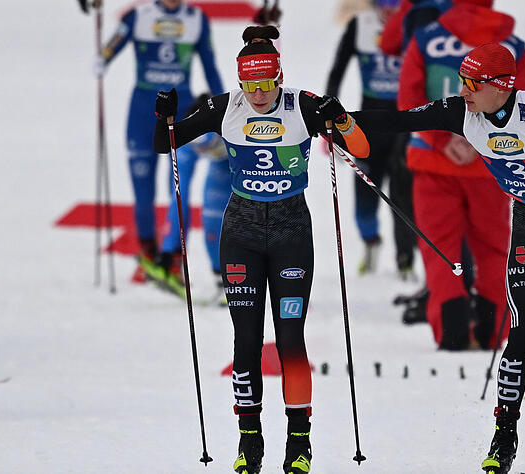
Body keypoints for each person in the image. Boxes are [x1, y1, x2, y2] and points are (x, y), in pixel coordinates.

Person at [351, 42, 525, 474]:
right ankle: (504, 437)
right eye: (462, 81)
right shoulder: (462, 112)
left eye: (472, 83)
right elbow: (400, 120)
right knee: (518, 334)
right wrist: (338, 121)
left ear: (501, 87)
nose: (463, 91)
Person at [153, 26, 369, 474]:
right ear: (240, 81)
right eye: (249, 85)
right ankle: (249, 440)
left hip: (291, 233)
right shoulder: (223, 106)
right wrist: (167, 118)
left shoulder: (303, 105)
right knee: (246, 340)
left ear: (278, 77)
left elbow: (361, 147)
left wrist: (341, 119)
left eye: (265, 84)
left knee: (290, 339)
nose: (257, 94)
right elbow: (164, 144)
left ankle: (299, 441)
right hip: (242, 234)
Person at [394, 0, 525, 350]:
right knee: (494, 249)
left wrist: (442, 141)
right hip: (490, 163)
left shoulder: (425, 38)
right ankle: (491, 333)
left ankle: (452, 334)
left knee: (439, 249)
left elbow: (409, 99)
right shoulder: (512, 46)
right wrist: (479, 141)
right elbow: (523, 103)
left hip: (433, 162)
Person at [97, 0, 224, 277]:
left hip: (181, 111)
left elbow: (210, 66)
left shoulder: (196, 19)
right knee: (143, 192)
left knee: (179, 189)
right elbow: (110, 47)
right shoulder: (138, 16)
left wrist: (224, 109)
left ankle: (173, 260)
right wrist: (101, 59)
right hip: (143, 112)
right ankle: (148, 255)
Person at [325, 0, 417, 277]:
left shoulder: (414, 23)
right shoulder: (360, 25)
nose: (388, 9)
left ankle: (405, 259)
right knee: (364, 196)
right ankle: (371, 242)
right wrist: (328, 121)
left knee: (403, 197)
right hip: (368, 126)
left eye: (394, 3)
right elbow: (337, 70)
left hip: (404, 126)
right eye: (381, 2)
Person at [141, 94, 232, 303]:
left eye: (209, 146)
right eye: (200, 148)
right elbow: (179, 197)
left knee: (236, 211)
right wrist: (167, 252)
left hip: (234, 157)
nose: (204, 151)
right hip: (218, 161)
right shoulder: (188, 139)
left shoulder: (232, 127)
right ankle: (222, 282)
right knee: (210, 216)